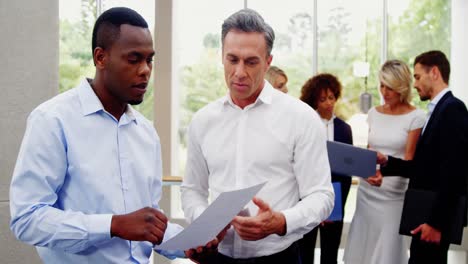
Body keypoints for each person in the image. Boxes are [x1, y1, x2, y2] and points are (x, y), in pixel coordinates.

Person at [9, 7, 214, 263]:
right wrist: (113, 225)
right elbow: (27, 219)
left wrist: (190, 245)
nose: (145, 70)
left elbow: (148, 223)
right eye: (133, 59)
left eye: (149, 60)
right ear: (100, 57)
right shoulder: (53, 121)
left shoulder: (146, 133)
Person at [181, 8, 334, 264]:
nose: (240, 72)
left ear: (268, 61)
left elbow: (322, 195)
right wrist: (205, 224)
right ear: (221, 56)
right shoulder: (203, 120)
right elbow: (192, 190)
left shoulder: (301, 118)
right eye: (232, 59)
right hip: (216, 257)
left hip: (278, 257)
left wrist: (282, 222)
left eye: (251, 62)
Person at [368, 51, 468, 264]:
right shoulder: (438, 109)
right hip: (424, 215)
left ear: (434, 73)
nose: (414, 84)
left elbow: (454, 172)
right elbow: (423, 167)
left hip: (433, 219)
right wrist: (387, 162)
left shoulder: (454, 109)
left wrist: (436, 223)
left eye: (417, 76)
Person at [343, 60, 426, 264]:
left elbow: (409, 161)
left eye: (390, 87)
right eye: (381, 85)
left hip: (394, 195)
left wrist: (384, 174)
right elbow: (371, 152)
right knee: (364, 249)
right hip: (368, 192)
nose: (384, 92)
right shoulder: (373, 113)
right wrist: (366, 172)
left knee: (387, 252)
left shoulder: (416, 117)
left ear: (402, 87)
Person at [298, 73, 353, 264]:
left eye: (331, 97)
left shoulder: (344, 129)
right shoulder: (305, 125)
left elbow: (346, 171)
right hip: (308, 198)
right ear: (314, 100)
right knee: (305, 252)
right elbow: (301, 168)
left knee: (330, 254)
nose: (328, 103)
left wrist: (335, 207)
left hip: (336, 198)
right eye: (322, 99)